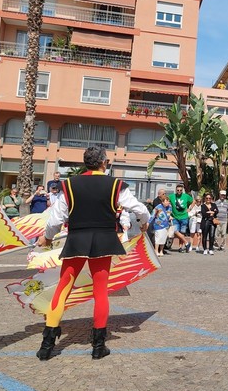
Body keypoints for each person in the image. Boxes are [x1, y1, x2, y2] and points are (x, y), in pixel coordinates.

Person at [35, 146, 150, 360]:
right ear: (104, 163)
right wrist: (144, 223)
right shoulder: (115, 184)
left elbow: (56, 219)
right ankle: (98, 346)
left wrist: (47, 237)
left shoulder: (68, 184)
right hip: (103, 241)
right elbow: (140, 210)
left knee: (63, 288)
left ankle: (47, 344)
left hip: (77, 239)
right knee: (100, 291)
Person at [168, 184, 191, 252]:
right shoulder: (172, 196)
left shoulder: (186, 196)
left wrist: (190, 208)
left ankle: (180, 247)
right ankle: (187, 243)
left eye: (180, 190)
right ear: (176, 190)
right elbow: (165, 200)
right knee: (175, 231)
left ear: (182, 190)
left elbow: (193, 201)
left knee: (182, 232)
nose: (179, 191)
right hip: (175, 217)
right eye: (178, 190)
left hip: (184, 217)